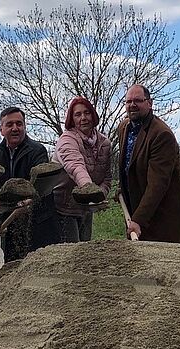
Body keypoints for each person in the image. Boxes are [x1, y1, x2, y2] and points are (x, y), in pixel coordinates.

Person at [117, 84, 180, 243]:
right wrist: (123, 188)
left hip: (162, 218)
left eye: (138, 101)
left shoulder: (161, 135)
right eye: (128, 102)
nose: (132, 105)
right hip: (135, 210)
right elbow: (129, 166)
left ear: (149, 103)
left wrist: (138, 220)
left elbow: (157, 185)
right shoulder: (124, 128)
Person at [0, 107, 61, 262]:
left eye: (19, 124)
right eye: (10, 125)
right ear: (1, 129)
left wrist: (28, 201)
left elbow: (40, 186)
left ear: (24, 127)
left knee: (38, 265)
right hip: (11, 221)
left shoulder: (36, 151)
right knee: (12, 266)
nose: (15, 128)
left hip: (38, 221)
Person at [52, 96, 112, 242]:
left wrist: (98, 195)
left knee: (86, 250)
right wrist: (88, 189)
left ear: (93, 115)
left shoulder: (104, 143)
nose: (83, 118)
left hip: (86, 208)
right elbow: (75, 165)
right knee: (71, 253)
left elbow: (107, 177)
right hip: (64, 207)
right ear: (72, 119)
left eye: (87, 113)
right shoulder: (67, 140)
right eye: (77, 115)